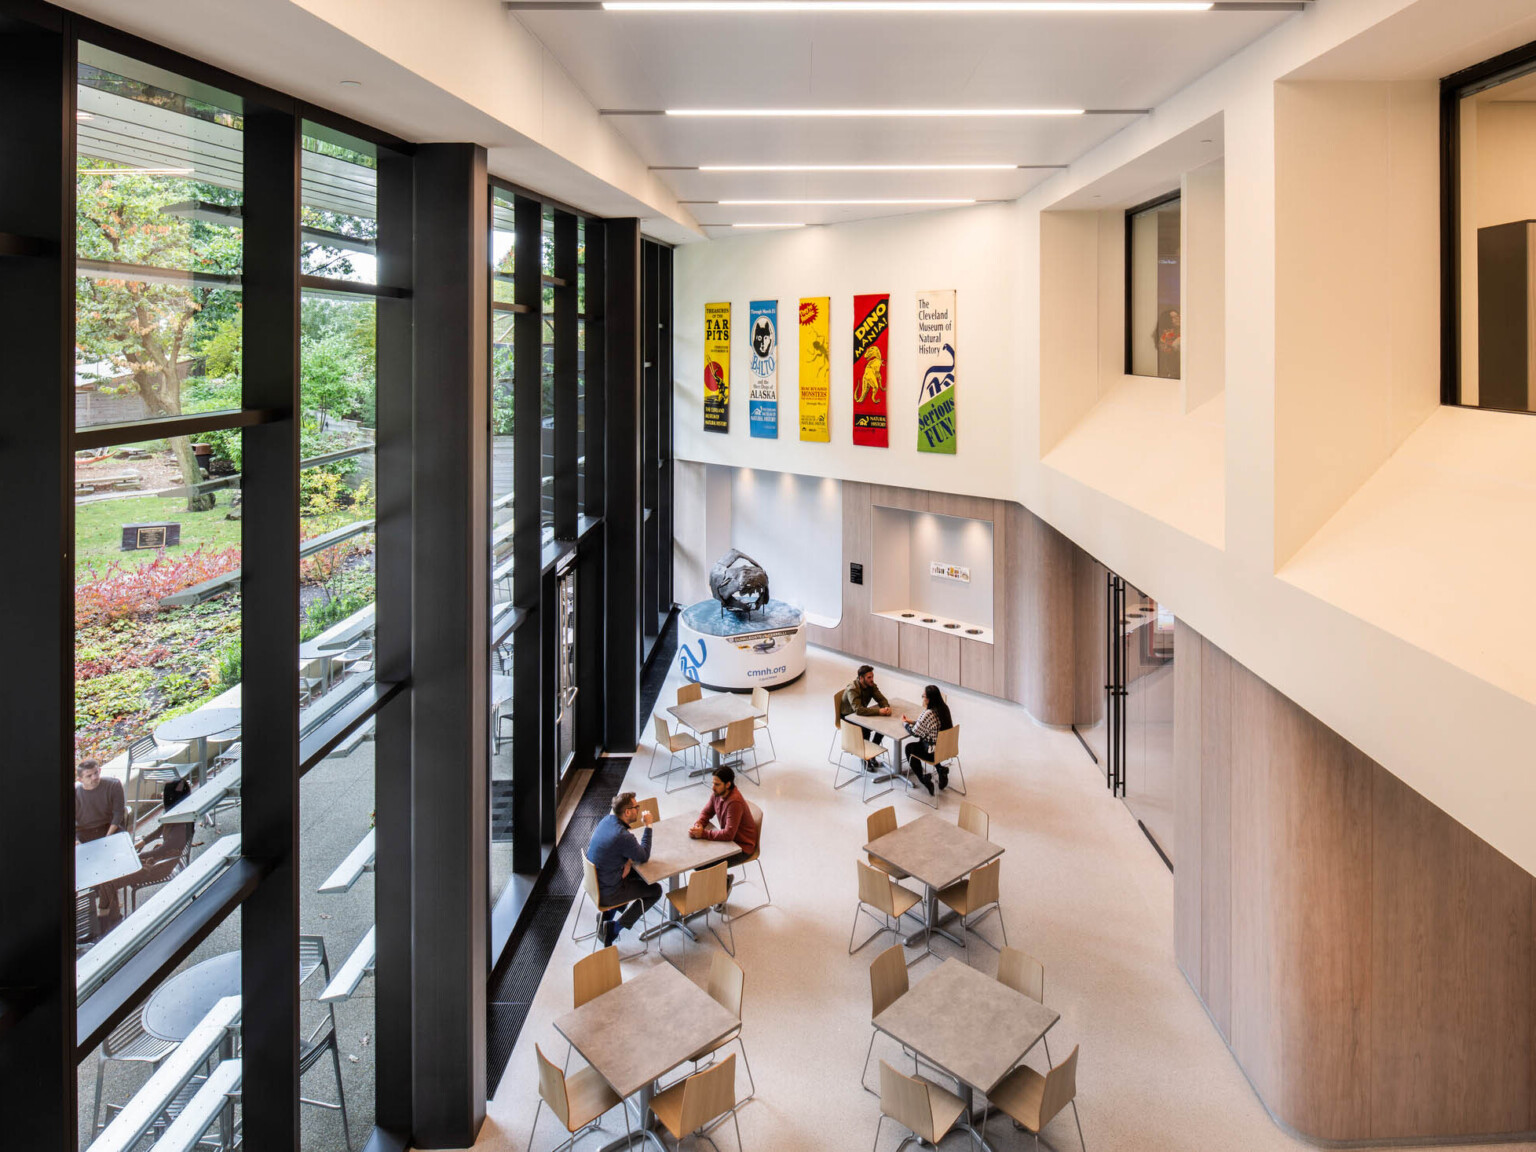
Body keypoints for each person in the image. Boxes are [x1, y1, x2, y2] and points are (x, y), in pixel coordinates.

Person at [585, 791, 661, 948]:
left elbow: (624, 853)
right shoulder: (623, 836)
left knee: (636, 873)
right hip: (608, 892)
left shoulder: (607, 820)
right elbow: (644, 855)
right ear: (627, 812)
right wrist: (648, 826)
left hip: (596, 884)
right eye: (636, 807)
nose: (638, 809)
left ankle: (606, 915)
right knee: (655, 890)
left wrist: (627, 862)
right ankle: (614, 929)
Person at [75, 758, 128, 918]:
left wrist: (107, 837)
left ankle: (107, 910)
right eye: (89, 775)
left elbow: (118, 814)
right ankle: (83, 911)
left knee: (105, 865)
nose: (95, 777)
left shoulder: (113, 784)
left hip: (108, 830)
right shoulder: (75, 794)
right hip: (85, 833)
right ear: (80, 779)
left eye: (96, 772)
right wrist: (76, 840)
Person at [689, 766, 759, 870]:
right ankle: (720, 881)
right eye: (713, 783)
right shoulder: (717, 794)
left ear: (728, 784)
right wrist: (699, 824)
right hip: (729, 842)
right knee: (698, 857)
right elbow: (706, 812)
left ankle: (723, 883)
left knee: (702, 865)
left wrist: (703, 834)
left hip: (741, 847)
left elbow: (728, 834)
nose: (713, 787)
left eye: (717, 784)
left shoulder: (735, 802)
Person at [902, 685, 954, 796]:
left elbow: (914, 733)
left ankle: (923, 779)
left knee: (909, 748)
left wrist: (905, 723)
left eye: (923, 696)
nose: (923, 699)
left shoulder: (928, 713)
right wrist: (912, 721)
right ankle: (940, 770)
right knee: (925, 740)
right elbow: (927, 724)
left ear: (929, 698)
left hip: (932, 753)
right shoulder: (944, 708)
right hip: (946, 749)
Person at [840, 664, 892, 770]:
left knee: (883, 725)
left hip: (860, 714)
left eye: (872, 676)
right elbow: (858, 710)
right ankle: (865, 758)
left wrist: (886, 707)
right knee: (866, 730)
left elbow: (882, 699)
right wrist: (879, 711)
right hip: (848, 717)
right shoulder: (853, 689)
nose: (872, 679)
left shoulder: (871, 685)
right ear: (861, 678)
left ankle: (871, 753)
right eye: (869, 677)